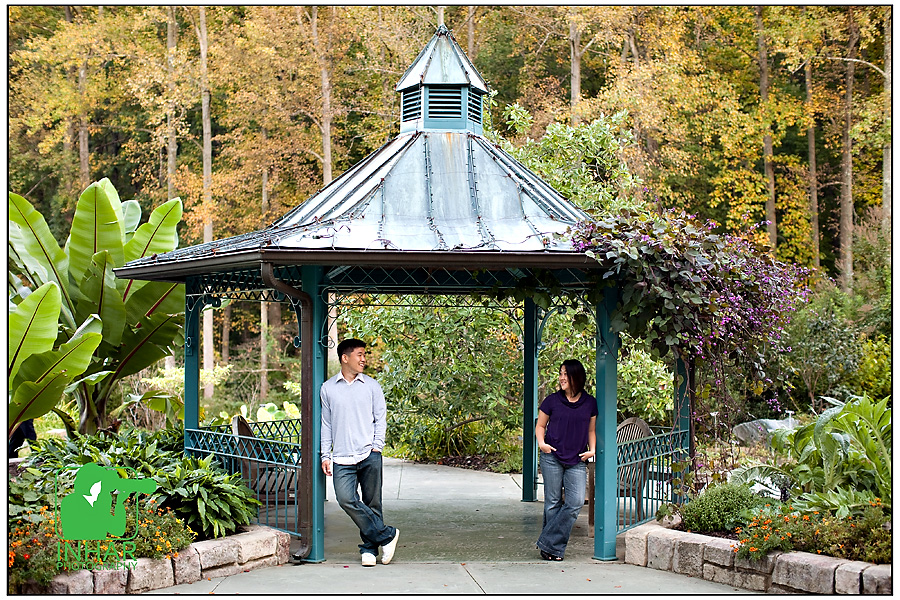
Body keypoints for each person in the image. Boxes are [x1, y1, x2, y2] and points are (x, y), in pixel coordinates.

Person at [321, 338, 400, 567]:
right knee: (346, 499)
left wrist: (377, 447)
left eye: (365, 355)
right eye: (360, 354)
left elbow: (380, 418)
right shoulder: (328, 388)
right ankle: (387, 535)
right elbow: (326, 424)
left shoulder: (372, 386)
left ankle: (369, 550)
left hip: (368, 454)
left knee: (373, 503)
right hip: (341, 457)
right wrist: (325, 454)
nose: (364, 359)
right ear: (345, 358)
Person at [534, 359, 597, 561]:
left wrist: (592, 450)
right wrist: (542, 443)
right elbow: (540, 426)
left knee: (575, 502)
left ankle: (547, 542)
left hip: (577, 460)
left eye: (565, 374)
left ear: (576, 377)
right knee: (552, 503)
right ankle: (552, 550)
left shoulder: (590, 403)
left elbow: (591, 430)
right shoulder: (552, 401)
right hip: (551, 457)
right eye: (560, 373)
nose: (561, 378)